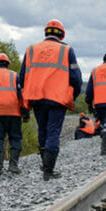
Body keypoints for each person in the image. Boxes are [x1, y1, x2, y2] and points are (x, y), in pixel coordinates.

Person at [18, 19, 82, 180]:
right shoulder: (67, 50)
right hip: (57, 98)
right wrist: (72, 96)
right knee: (53, 132)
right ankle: (48, 169)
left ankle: (45, 164)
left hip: (36, 97)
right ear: (62, 35)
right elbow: (76, 78)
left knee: (43, 130)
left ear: (46, 33)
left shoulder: (31, 50)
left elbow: (22, 77)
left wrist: (26, 99)